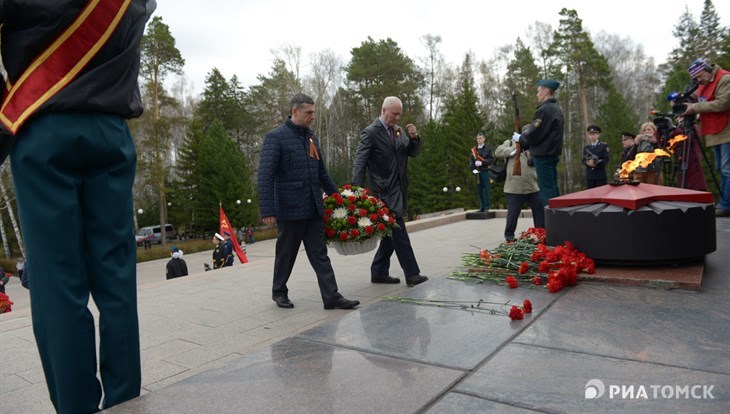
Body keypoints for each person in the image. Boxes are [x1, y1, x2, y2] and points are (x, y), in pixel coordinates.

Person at [0, 2, 155, 412]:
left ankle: (76, 406)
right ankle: (125, 403)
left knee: (57, 284)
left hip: (43, 130)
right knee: (117, 281)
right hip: (111, 131)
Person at [258, 93, 359, 310]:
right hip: (289, 208)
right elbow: (265, 175)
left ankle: (331, 296)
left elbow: (322, 172)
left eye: (313, 112)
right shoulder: (275, 137)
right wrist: (267, 209)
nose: (312, 116)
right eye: (309, 112)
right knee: (286, 253)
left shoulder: (311, 137)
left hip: (313, 207)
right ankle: (279, 292)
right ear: (295, 111)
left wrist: (337, 198)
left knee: (320, 254)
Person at [352, 96, 428, 287]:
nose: (397, 118)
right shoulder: (370, 133)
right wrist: (356, 192)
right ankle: (412, 274)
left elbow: (411, 152)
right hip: (382, 192)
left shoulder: (398, 131)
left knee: (389, 234)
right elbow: (359, 163)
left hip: (399, 189)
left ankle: (378, 272)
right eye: (394, 114)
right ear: (383, 110)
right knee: (399, 231)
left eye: (399, 114)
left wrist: (414, 139)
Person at [682, 59, 730, 217]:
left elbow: (723, 103)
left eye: (700, 76)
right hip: (714, 130)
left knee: (727, 169)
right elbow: (698, 98)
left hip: (727, 130)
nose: (698, 80)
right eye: (695, 78)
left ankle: (726, 204)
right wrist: (682, 99)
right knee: (719, 168)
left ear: (709, 70)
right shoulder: (704, 83)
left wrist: (694, 107)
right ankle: (725, 201)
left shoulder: (725, 79)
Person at [515, 79, 564, 206]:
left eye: (539, 91)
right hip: (551, 154)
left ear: (546, 91)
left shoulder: (544, 110)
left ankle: (550, 222)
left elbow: (536, 133)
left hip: (543, 155)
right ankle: (556, 218)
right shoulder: (556, 109)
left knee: (547, 191)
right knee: (553, 187)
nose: (537, 94)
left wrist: (520, 138)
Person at [494, 133, 545, 242]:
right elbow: (498, 151)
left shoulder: (533, 146)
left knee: (539, 212)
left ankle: (541, 235)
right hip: (514, 187)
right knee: (512, 214)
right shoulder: (510, 143)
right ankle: (509, 237)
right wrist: (514, 149)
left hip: (532, 186)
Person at [469, 132, 495, 212]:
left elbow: (491, 160)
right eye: (477, 138)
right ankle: (481, 206)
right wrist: (473, 169)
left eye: (480, 138)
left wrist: (482, 163)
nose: (479, 140)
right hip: (477, 173)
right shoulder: (474, 149)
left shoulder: (488, 149)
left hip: (485, 171)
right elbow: (471, 161)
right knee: (479, 190)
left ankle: (487, 207)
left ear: (484, 139)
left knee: (486, 190)